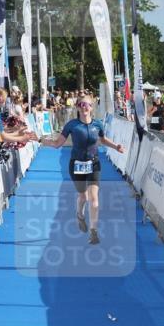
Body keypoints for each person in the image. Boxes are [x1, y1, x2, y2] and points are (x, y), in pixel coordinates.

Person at [39, 96, 124, 245]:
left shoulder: (97, 124)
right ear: (78, 107)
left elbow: (102, 141)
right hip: (76, 165)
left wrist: (116, 146)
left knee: (94, 199)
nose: (84, 107)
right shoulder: (72, 125)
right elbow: (57, 144)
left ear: (92, 107)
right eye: (81, 104)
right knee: (83, 197)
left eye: (87, 105)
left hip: (94, 164)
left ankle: (93, 232)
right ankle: (79, 214)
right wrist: (40, 139)